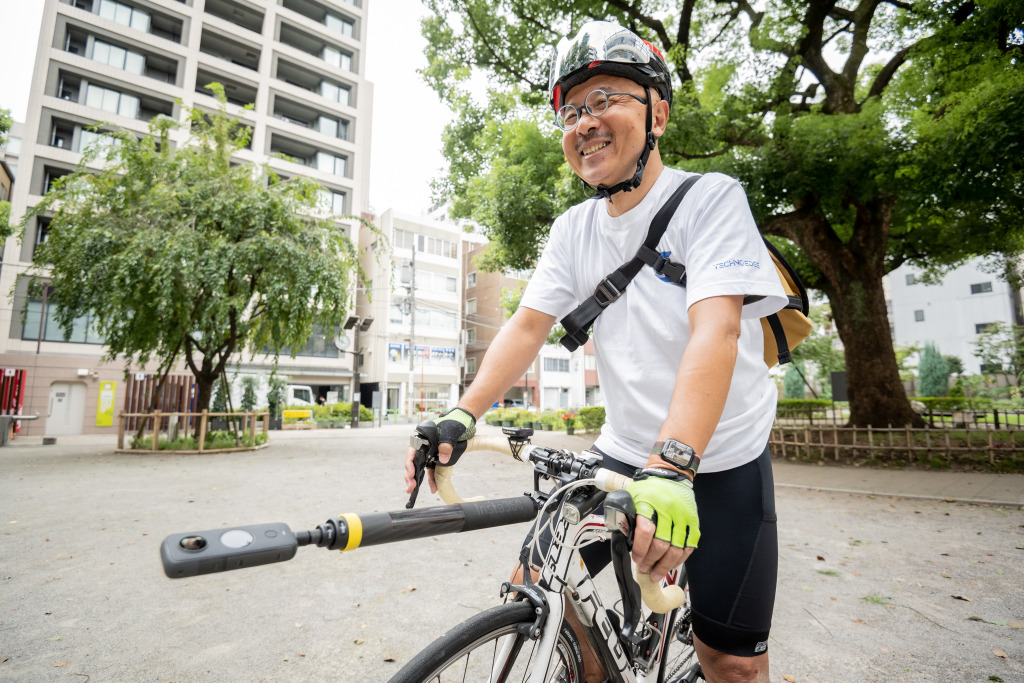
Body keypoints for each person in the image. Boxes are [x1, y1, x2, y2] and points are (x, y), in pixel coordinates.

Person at [404, 20, 786, 683]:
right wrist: (461, 416)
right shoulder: (572, 230)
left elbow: (717, 331)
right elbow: (526, 326)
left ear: (657, 113)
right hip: (622, 447)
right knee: (534, 586)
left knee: (731, 661)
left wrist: (674, 462)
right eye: (572, 110)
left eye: (607, 98)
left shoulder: (710, 199)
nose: (586, 121)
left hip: (718, 457)